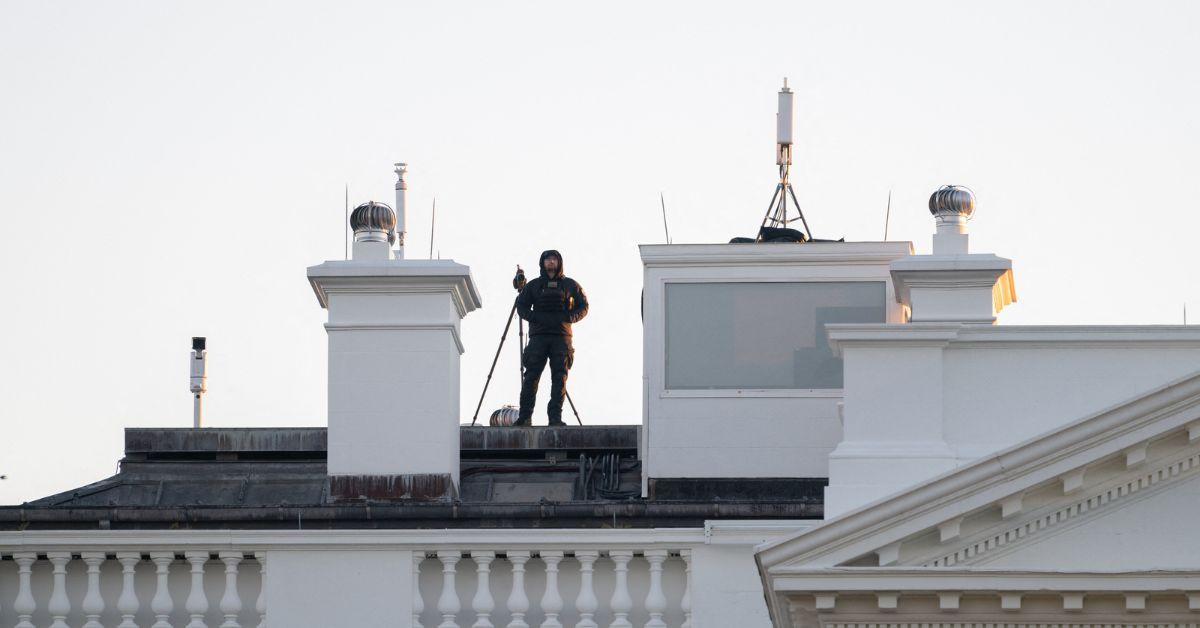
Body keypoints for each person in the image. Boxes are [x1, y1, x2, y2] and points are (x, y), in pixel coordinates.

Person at [514, 250, 588, 426]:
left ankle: (555, 418)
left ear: (559, 262)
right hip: (538, 337)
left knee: (559, 377)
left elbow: (584, 306)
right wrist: (534, 317)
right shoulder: (533, 286)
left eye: (554, 259)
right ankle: (525, 417)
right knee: (531, 376)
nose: (551, 262)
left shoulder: (571, 285)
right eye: (548, 259)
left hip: (561, 337)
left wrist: (570, 318)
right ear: (543, 262)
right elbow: (521, 305)